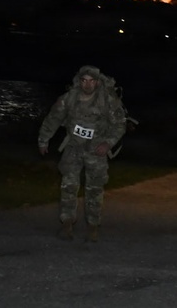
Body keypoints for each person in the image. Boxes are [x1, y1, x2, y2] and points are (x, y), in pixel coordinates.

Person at [38, 65, 128, 243]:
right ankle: (67, 224)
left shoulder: (107, 100)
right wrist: (43, 139)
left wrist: (107, 143)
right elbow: (53, 118)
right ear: (79, 81)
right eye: (84, 80)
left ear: (97, 82)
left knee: (94, 190)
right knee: (68, 187)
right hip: (73, 148)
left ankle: (93, 227)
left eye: (91, 81)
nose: (87, 84)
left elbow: (120, 125)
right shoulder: (69, 99)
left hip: (97, 151)